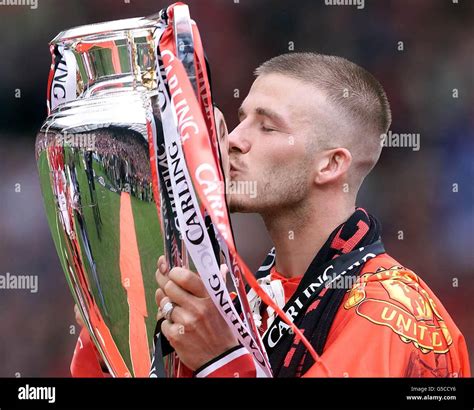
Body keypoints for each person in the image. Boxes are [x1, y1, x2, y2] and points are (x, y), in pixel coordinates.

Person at [72, 52, 470, 378]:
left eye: (267, 127)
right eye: (242, 119)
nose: (234, 140)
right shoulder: (247, 302)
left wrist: (222, 362)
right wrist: (111, 337)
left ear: (330, 165)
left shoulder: (391, 314)